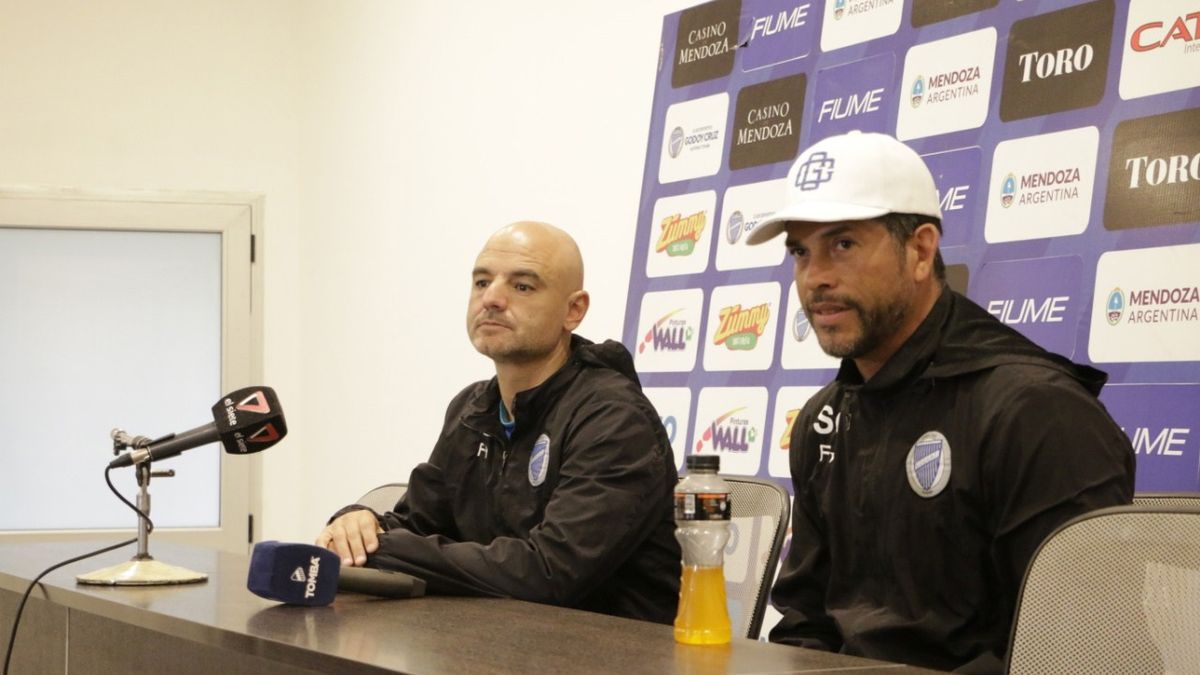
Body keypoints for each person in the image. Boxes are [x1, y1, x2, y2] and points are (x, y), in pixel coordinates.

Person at [745, 131, 1135, 673]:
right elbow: (805, 619)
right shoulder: (823, 421)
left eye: (843, 244)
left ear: (921, 250)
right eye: (800, 252)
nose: (815, 278)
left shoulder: (1036, 412)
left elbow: (1076, 646)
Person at [317, 221, 681, 623]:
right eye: (481, 282)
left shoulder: (614, 418)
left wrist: (383, 548)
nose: (491, 298)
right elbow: (417, 522)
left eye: (522, 286)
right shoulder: (473, 408)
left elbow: (548, 573)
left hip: (610, 657)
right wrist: (357, 522)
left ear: (573, 310)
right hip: (492, 643)